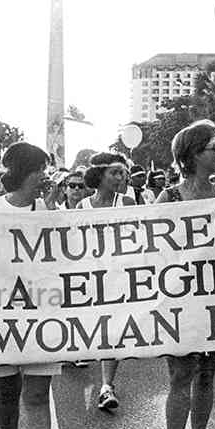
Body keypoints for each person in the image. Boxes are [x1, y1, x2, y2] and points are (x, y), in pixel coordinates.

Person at [0, 142, 65, 429]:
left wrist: (60, 211)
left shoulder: (48, 209)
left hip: (41, 311)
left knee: (37, 392)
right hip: (2, 312)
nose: (44, 176)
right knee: (6, 389)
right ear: (24, 173)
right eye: (39, 169)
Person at [158, 121, 215, 429]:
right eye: (213, 147)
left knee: (206, 375)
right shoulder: (168, 199)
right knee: (180, 376)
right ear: (191, 154)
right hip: (180, 299)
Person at [78, 152, 136, 412]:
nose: (120, 177)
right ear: (99, 175)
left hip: (119, 278)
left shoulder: (128, 202)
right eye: (114, 172)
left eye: (123, 173)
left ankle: (106, 386)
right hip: (90, 278)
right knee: (97, 330)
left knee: (112, 331)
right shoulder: (83, 207)